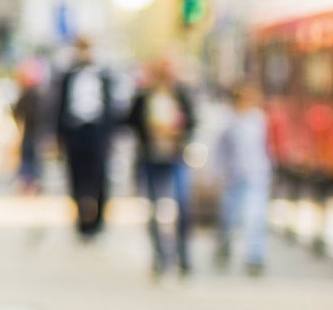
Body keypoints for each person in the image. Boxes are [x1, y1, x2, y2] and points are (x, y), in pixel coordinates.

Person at [127, 56, 198, 279]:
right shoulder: (145, 96)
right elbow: (131, 121)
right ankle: (161, 258)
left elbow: (193, 122)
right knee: (155, 210)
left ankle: (183, 256)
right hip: (151, 158)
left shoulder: (181, 94)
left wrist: (178, 134)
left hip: (175, 157)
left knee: (182, 208)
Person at [54, 39, 115, 240]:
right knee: (76, 178)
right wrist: (59, 136)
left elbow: (111, 109)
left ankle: (98, 221)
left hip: (96, 133)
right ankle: (82, 221)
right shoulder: (68, 77)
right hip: (75, 132)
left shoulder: (103, 76)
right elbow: (58, 107)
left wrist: (109, 136)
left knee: (99, 178)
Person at [212, 84, 272, 274]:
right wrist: (219, 172)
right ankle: (224, 246)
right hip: (234, 176)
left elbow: (266, 147)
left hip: (257, 175)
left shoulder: (259, 119)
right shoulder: (229, 121)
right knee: (230, 217)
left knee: (256, 218)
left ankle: (255, 257)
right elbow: (220, 150)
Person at [11, 59, 49, 195]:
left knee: (30, 160)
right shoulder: (40, 95)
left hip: (31, 133)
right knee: (33, 160)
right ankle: (31, 183)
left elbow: (16, 113)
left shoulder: (29, 95)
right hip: (33, 133)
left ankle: (30, 184)